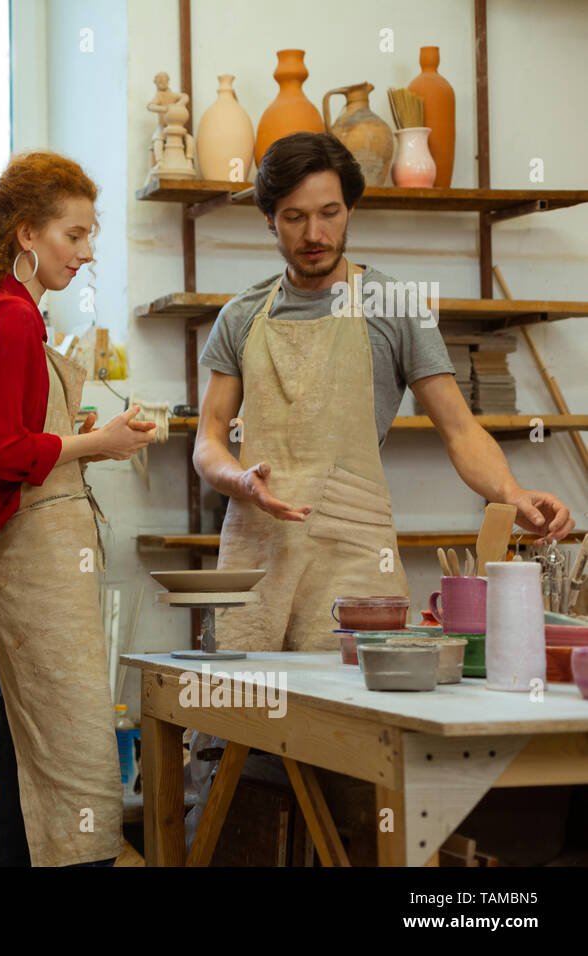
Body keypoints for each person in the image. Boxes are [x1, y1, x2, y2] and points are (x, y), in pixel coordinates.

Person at [193, 132, 575, 652]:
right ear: (269, 218)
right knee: (243, 716)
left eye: (329, 212)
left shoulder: (393, 306)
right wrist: (237, 479)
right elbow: (208, 440)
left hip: (352, 547)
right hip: (256, 542)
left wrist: (511, 493)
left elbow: (460, 431)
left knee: (351, 712)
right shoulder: (241, 315)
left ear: (351, 208)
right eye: (293, 216)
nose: (314, 233)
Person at [0, 151, 156, 866]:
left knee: (24, 762)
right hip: (32, 564)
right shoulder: (11, 319)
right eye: (72, 236)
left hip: (22, 563)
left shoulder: (7, 312)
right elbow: (0, 451)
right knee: (77, 756)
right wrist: (99, 442)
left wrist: (91, 438)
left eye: (90, 237)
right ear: (26, 234)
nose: (85, 253)